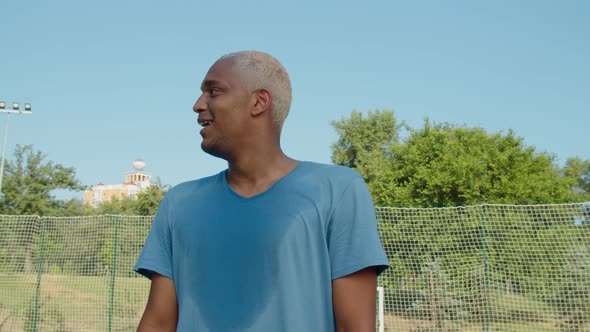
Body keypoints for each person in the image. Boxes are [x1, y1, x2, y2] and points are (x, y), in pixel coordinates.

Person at [134, 51, 389, 331]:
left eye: (213, 91)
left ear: (258, 102)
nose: (197, 105)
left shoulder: (338, 191)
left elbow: (356, 326)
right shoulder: (178, 203)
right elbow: (158, 323)